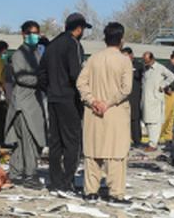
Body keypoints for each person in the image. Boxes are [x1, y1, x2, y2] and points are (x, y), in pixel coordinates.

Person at [77, 21, 133, 206]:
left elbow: (81, 83)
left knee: (93, 153)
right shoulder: (125, 61)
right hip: (115, 112)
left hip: (93, 112)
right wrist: (108, 103)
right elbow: (126, 89)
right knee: (116, 154)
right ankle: (115, 194)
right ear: (122, 40)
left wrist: (92, 100)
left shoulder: (93, 59)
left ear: (104, 39)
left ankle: (91, 192)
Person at [39, 12, 91, 198]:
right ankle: (68, 182)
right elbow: (76, 73)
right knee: (73, 142)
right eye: (83, 29)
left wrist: (51, 90)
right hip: (69, 99)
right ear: (78, 29)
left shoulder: (51, 46)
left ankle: (55, 181)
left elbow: (41, 75)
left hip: (53, 98)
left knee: (55, 141)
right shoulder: (74, 44)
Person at [5, 21, 47, 189]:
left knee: (22, 142)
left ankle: (15, 173)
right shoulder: (19, 55)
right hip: (23, 104)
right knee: (29, 140)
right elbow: (22, 78)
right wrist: (40, 80)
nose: (34, 36)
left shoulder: (35, 53)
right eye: (31, 33)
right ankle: (30, 175)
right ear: (23, 35)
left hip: (31, 102)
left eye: (37, 33)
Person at [140, 52, 174, 151]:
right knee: (147, 122)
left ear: (153, 59)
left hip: (155, 99)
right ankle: (151, 142)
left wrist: (163, 85)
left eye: (148, 62)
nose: (146, 64)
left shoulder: (160, 68)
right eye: (145, 62)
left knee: (154, 123)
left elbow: (171, 76)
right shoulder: (145, 69)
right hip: (146, 99)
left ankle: (153, 144)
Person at [121, 46, 145, 148]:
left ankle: (137, 140)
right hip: (124, 95)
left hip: (135, 95)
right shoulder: (121, 65)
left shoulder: (138, 65)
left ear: (131, 55)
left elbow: (140, 76)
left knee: (135, 119)